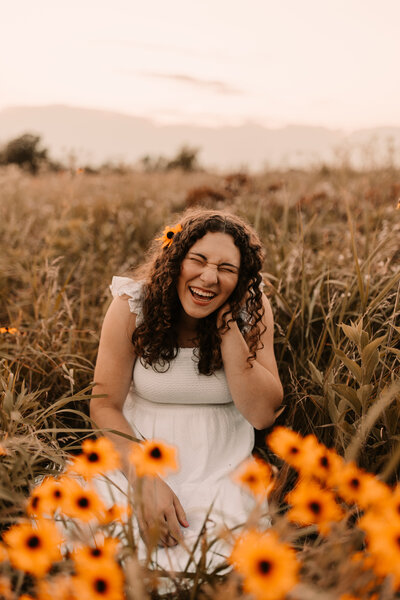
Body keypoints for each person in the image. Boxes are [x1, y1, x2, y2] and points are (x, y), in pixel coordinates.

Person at [90, 209, 283, 571]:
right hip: (139, 457)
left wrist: (227, 328)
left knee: (215, 563)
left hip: (220, 468)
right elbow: (104, 405)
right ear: (175, 260)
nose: (209, 277)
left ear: (240, 279)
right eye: (198, 260)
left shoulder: (252, 310)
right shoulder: (132, 306)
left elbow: (261, 414)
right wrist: (144, 478)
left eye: (227, 269)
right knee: (113, 555)